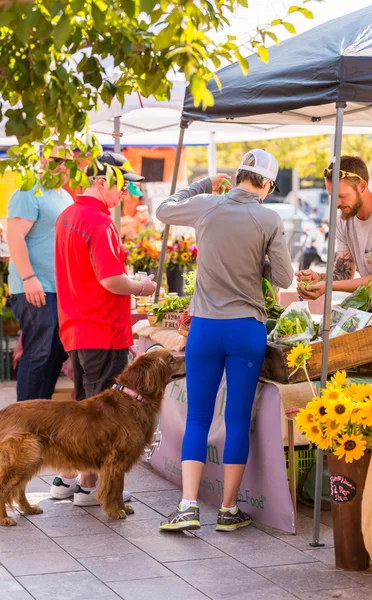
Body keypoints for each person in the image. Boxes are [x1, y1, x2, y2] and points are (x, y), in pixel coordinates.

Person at [156, 149, 293, 532]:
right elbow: (283, 279)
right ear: (265, 184)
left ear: (236, 176)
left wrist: (201, 183)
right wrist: (259, 257)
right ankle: (229, 511)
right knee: (235, 420)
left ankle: (187, 506)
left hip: (205, 327)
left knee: (198, 418)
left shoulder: (206, 205)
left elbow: (164, 210)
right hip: (246, 329)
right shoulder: (268, 217)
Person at [51, 151, 157, 507]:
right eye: (123, 184)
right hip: (102, 328)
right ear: (102, 182)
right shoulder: (97, 221)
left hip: (77, 326)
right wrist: (143, 287)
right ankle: (87, 486)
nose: (127, 191)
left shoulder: (68, 214)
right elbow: (112, 279)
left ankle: (67, 480)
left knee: (83, 409)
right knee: (100, 418)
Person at [7, 148, 72, 400]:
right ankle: (25, 423)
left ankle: (41, 416)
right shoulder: (29, 189)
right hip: (34, 287)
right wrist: (28, 278)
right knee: (38, 354)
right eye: (57, 160)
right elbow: (14, 236)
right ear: (42, 160)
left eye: (67, 161)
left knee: (56, 353)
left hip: (59, 290)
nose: (63, 165)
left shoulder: (65, 196)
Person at [297, 156, 372, 300]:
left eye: (342, 196)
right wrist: (319, 278)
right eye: (333, 197)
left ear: (362, 186)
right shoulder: (344, 219)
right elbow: (343, 274)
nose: (337, 203)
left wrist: (328, 286)